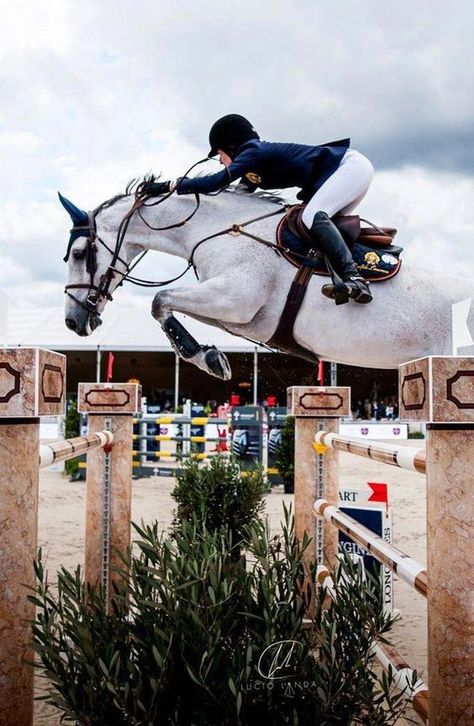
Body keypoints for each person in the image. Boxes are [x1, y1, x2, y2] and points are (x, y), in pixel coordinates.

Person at [141, 114, 375, 305]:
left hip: (349, 167)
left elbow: (215, 182)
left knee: (311, 216)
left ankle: (355, 277)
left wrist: (170, 186)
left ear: (231, 147)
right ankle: (351, 275)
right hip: (344, 173)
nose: (221, 160)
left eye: (220, 154)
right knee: (318, 230)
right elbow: (234, 200)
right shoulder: (253, 167)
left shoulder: (253, 151)